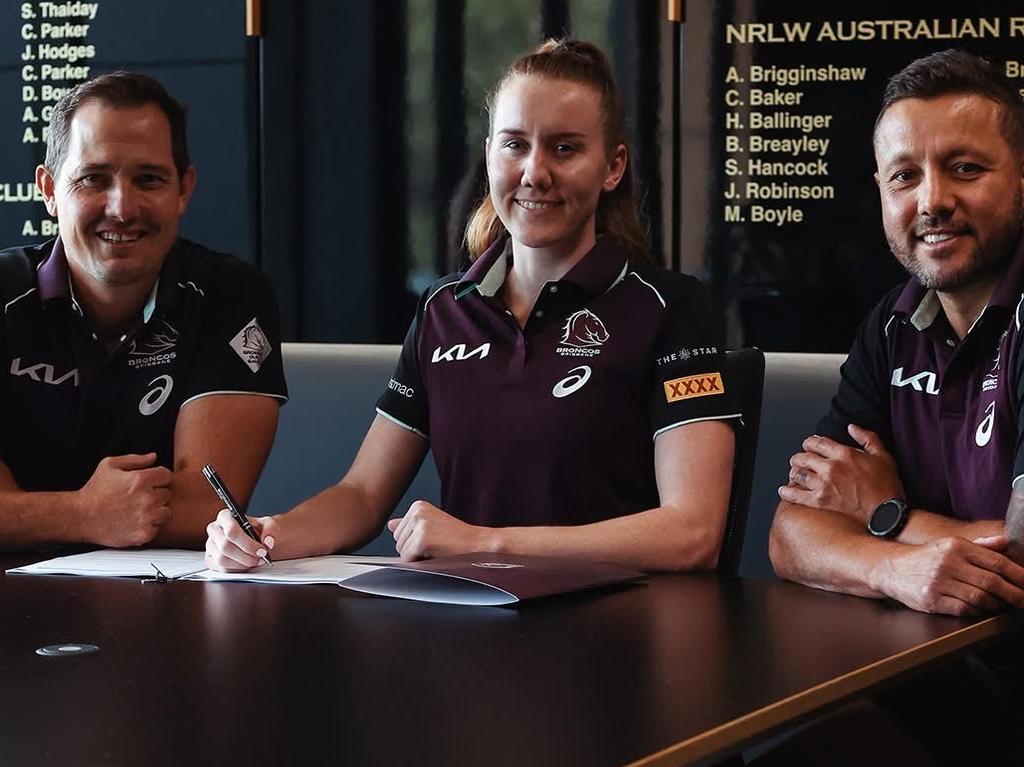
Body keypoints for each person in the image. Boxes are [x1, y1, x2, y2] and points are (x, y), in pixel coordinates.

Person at [206, 39, 737, 572]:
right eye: (514, 145)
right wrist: (270, 533)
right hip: (470, 625)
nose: (535, 172)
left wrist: (487, 542)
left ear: (613, 166)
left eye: (565, 148)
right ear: (488, 155)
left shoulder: (670, 307)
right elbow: (363, 496)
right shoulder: (443, 309)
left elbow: (691, 532)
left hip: (618, 633)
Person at [764, 49, 1024, 765]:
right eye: (905, 176)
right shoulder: (890, 324)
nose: (932, 199)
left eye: (966, 168)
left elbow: (1022, 556)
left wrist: (888, 517)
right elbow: (791, 532)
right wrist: (892, 567)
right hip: (935, 685)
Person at [0, 71, 287, 551]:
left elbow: (206, 508)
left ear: (183, 190)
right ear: (49, 190)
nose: (122, 207)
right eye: (94, 178)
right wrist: (84, 513)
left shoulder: (229, 294)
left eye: (148, 179)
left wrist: (25, 510)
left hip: (165, 601)